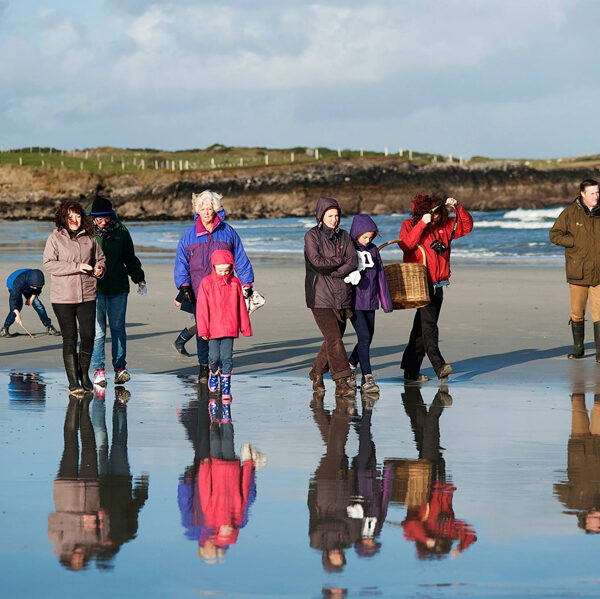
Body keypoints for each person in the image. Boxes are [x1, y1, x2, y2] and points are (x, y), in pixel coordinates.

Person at [174, 190, 254, 381]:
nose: (207, 212)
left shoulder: (228, 232)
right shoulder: (189, 235)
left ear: (216, 209)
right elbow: (181, 261)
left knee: (223, 329)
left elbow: (240, 258)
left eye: (210, 208)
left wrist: (247, 282)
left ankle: (219, 366)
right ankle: (205, 368)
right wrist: (183, 285)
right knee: (203, 329)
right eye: (203, 208)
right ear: (197, 210)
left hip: (225, 291)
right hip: (198, 290)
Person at [399, 194, 473, 382]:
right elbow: (406, 245)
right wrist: (422, 224)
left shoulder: (445, 226)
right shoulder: (410, 225)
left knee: (421, 327)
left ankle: (410, 369)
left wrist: (457, 208)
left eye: (438, 213)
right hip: (421, 282)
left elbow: (467, 226)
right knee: (429, 325)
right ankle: (438, 365)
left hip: (439, 283)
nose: (435, 217)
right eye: (431, 213)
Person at [43, 201, 105, 396]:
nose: (75, 220)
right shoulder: (55, 238)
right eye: (71, 216)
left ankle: (84, 375)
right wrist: (77, 266)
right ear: (64, 218)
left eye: (78, 216)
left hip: (87, 294)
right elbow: (49, 264)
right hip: (63, 298)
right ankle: (73, 383)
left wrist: (100, 269)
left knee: (88, 336)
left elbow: (101, 258)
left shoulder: (90, 238)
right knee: (70, 338)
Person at [86, 196, 146, 386]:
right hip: (94, 290)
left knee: (118, 328)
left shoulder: (121, 231)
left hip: (118, 288)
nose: (103, 223)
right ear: (93, 217)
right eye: (99, 219)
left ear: (111, 215)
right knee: (99, 333)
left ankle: (120, 368)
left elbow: (130, 256)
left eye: (106, 218)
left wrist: (139, 278)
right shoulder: (86, 234)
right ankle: (99, 370)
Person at [305, 197, 358, 396]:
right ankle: (341, 381)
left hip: (342, 295)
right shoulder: (311, 236)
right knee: (335, 338)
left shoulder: (345, 236)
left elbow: (353, 261)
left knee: (332, 339)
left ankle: (317, 372)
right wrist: (340, 261)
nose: (334, 219)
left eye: (337, 215)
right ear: (321, 216)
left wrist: (336, 269)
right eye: (330, 216)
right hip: (319, 296)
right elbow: (317, 262)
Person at [196, 249, 253, 420]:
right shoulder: (206, 283)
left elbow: (241, 308)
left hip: (229, 327)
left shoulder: (235, 283)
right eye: (220, 270)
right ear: (214, 268)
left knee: (227, 357)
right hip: (213, 329)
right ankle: (214, 373)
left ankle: (226, 386)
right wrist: (203, 330)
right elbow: (202, 310)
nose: (224, 274)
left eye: (227, 270)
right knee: (213, 357)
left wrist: (245, 327)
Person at [550, 179, 600, 360]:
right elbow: (554, 235)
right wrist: (574, 242)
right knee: (577, 312)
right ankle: (578, 348)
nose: (597, 196)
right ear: (583, 194)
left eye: (598, 192)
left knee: (599, 312)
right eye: (593, 193)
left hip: (599, 272)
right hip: (577, 271)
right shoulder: (570, 213)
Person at [345, 214, 393, 392]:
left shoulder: (374, 250)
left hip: (371, 301)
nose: (368, 240)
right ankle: (368, 378)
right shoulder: (349, 248)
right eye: (365, 237)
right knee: (364, 337)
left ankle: (350, 366)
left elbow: (381, 276)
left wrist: (386, 302)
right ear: (356, 233)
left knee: (367, 338)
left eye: (371, 237)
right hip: (354, 301)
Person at [0, 268, 61, 337]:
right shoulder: (18, 282)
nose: (35, 288)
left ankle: (49, 326)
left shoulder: (38, 280)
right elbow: (13, 300)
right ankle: (4, 328)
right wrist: (17, 315)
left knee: (38, 305)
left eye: (37, 287)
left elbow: (37, 290)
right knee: (18, 305)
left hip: (29, 284)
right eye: (34, 287)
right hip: (13, 283)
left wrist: (31, 299)